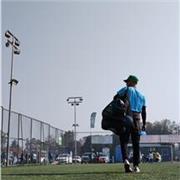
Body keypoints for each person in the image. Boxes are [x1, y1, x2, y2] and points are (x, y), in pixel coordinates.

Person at [117, 75, 146, 173]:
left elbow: (115, 98)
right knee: (136, 144)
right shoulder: (142, 96)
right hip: (137, 119)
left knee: (124, 140)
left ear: (132, 82)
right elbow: (144, 112)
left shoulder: (126, 89)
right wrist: (144, 125)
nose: (126, 83)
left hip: (127, 117)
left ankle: (126, 160)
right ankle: (136, 166)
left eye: (128, 81)